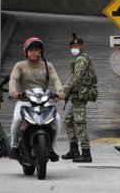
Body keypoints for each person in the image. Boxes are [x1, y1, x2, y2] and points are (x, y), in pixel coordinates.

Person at [8, 37, 64, 162]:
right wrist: (13, 92)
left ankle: (52, 148)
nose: (33, 52)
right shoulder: (20, 65)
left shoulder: (48, 65)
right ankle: (14, 147)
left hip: (43, 100)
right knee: (17, 119)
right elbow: (13, 80)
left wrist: (60, 91)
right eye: (31, 50)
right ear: (26, 52)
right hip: (24, 100)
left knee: (57, 120)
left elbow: (55, 79)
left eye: (36, 50)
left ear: (41, 52)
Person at [61, 33, 98, 163]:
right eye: (72, 46)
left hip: (80, 95)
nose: (74, 48)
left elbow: (76, 77)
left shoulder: (82, 59)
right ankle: (74, 149)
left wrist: (64, 90)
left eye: (76, 46)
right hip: (76, 95)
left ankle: (86, 153)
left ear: (82, 46)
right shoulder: (78, 59)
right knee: (68, 121)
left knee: (80, 123)